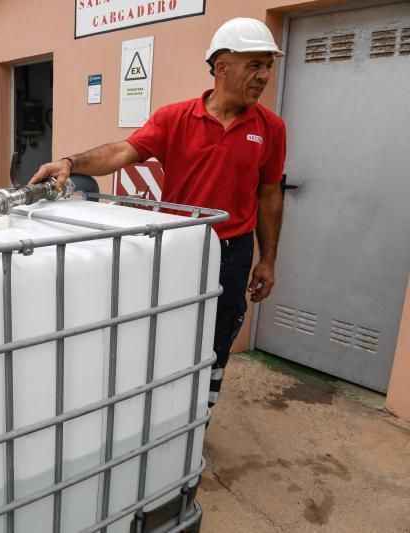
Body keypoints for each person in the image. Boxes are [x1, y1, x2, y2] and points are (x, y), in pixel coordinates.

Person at [29, 18, 286, 407]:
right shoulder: (175, 119)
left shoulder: (271, 128)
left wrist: (267, 259)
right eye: (255, 64)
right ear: (222, 67)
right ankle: (161, 413)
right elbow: (120, 152)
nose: (264, 75)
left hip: (232, 252)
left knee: (217, 337)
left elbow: (269, 195)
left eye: (268, 65)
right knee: (167, 332)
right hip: (177, 247)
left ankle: (199, 419)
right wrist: (70, 161)